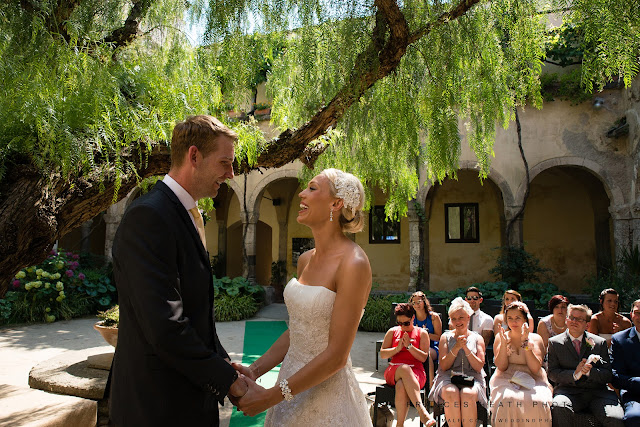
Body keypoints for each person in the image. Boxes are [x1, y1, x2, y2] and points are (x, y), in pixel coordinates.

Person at [109, 115, 248, 426]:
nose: (231, 173)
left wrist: (223, 362)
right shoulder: (150, 216)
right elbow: (165, 324)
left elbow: (194, 311)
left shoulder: (186, 213)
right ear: (194, 156)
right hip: (157, 405)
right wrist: (226, 379)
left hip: (187, 394)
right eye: (225, 162)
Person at [232, 168, 372, 425]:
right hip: (289, 384)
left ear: (336, 203)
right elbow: (297, 330)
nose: (301, 194)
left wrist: (271, 397)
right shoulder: (306, 259)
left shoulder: (354, 263)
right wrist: (255, 370)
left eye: (312, 188)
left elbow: (337, 356)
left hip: (327, 398)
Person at [548, 304, 624, 427]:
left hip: (597, 393)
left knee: (615, 417)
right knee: (559, 406)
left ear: (587, 324)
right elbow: (552, 373)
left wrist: (588, 372)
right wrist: (575, 374)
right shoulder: (555, 343)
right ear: (566, 319)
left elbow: (608, 375)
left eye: (579, 319)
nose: (574, 321)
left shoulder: (599, 343)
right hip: (568, 392)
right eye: (571, 317)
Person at [490, 301, 552, 426]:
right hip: (506, 377)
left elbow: (535, 368)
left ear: (525, 319)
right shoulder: (501, 337)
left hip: (533, 377)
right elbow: (501, 366)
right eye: (510, 318)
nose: (514, 322)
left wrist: (526, 344)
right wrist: (503, 343)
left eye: (517, 318)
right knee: (508, 400)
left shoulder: (535, 338)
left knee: (537, 401)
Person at [429, 297, 487, 427]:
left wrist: (465, 347)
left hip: (472, 376)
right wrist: (456, 347)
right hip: (448, 376)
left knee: (467, 394)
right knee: (451, 392)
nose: (457, 322)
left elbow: (478, 367)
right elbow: (443, 366)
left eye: (460, 318)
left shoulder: (477, 338)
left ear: (468, 317)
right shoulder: (445, 337)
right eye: (454, 319)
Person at [380, 303, 436, 427]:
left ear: (413, 319)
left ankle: (399, 424)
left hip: (416, 372)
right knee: (404, 369)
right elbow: (383, 354)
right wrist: (397, 348)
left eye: (406, 323)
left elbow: (423, 357)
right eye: (400, 323)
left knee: (401, 385)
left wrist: (409, 347)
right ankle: (422, 412)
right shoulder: (392, 332)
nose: (403, 327)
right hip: (394, 369)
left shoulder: (422, 333)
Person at [611, 299, 640, 426]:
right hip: (634, 395)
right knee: (634, 417)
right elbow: (615, 377)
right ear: (631, 314)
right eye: (638, 312)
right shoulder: (620, 340)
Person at [410, 291, 442, 387]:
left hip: (432, 347)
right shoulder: (411, 318)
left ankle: (431, 386)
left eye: (419, 302)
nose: (416, 305)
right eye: (414, 303)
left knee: (426, 354)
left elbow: (439, 337)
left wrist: (425, 333)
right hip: (416, 346)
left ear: (424, 302)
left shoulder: (434, 317)